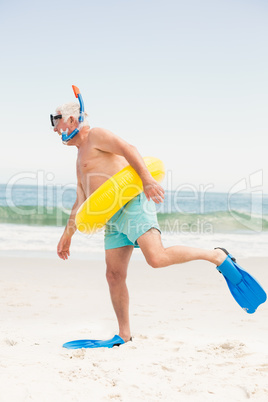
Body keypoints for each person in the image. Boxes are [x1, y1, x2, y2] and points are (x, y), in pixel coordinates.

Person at [51, 102, 262, 346]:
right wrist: (68, 234)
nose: (55, 129)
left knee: (157, 258)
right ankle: (124, 334)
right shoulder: (79, 157)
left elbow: (128, 148)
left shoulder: (96, 135)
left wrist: (148, 180)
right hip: (111, 219)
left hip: (131, 203)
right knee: (114, 275)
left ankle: (216, 255)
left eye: (56, 121)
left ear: (71, 120)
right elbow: (81, 198)